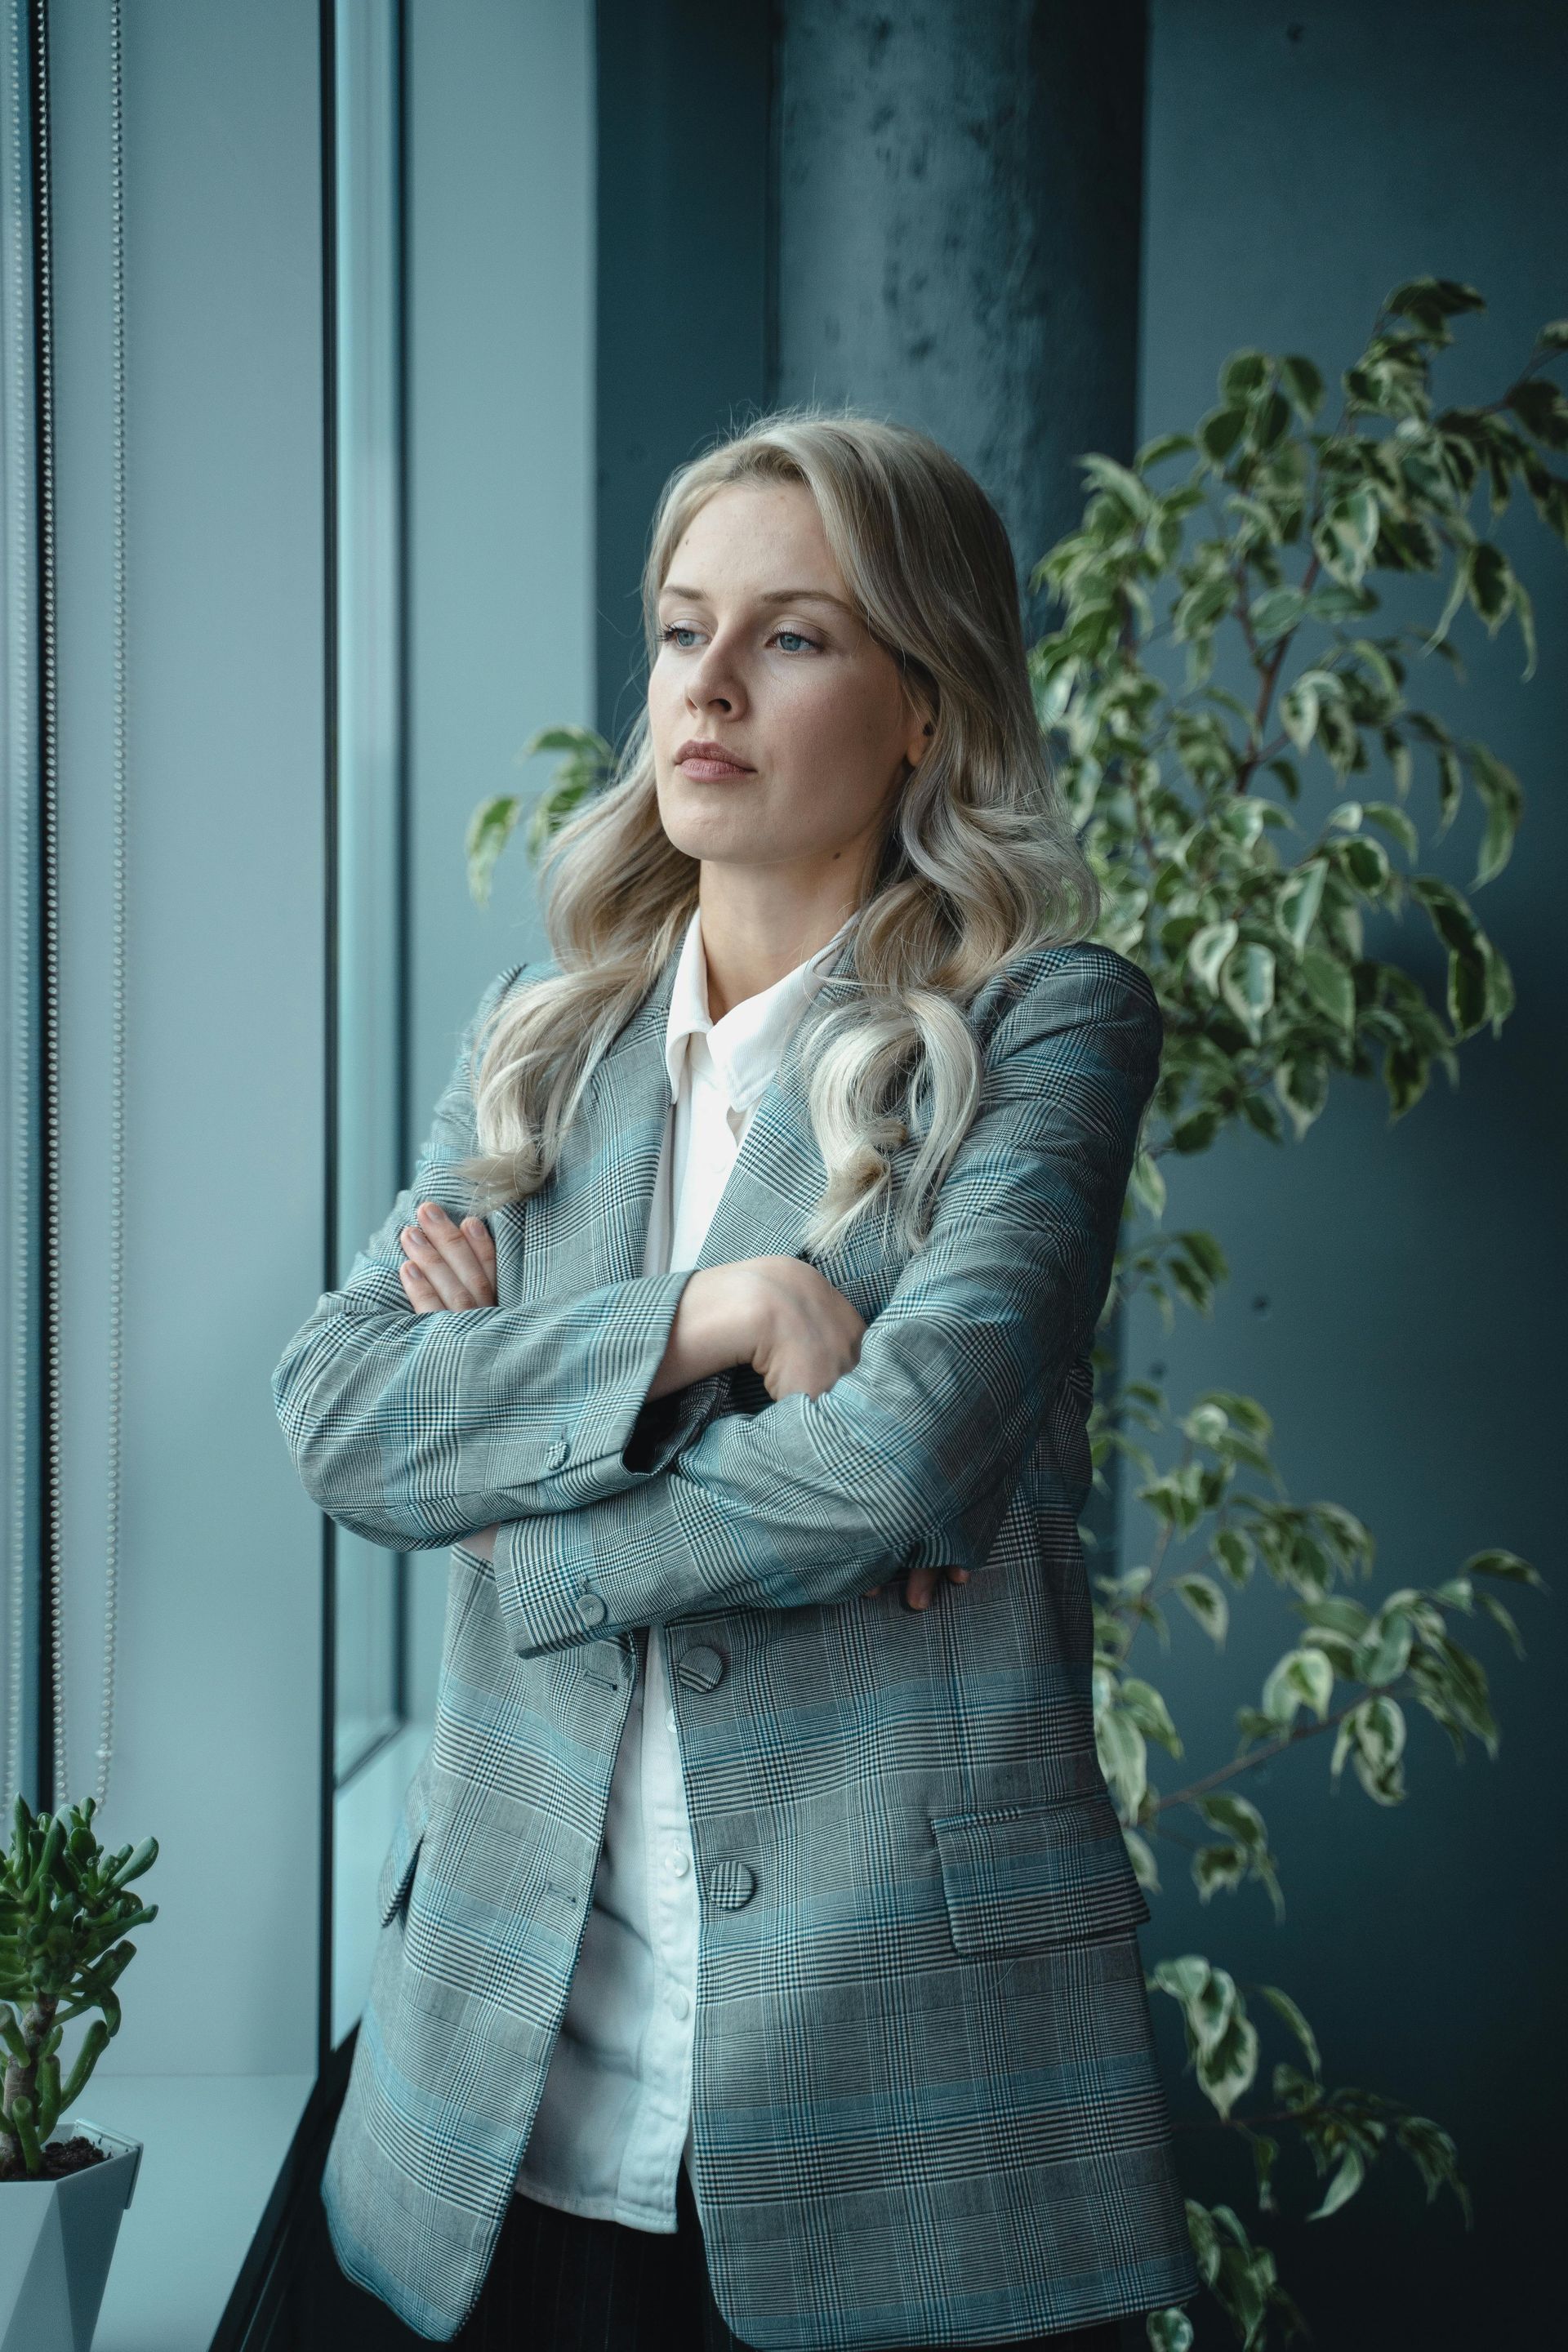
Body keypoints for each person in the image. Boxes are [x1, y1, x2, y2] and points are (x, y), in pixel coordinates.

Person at [272, 408, 1199, 2350]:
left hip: (907, 2107)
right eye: (683, 630)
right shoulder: (544, 1047)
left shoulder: (1046, 1029)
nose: (707, 687)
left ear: (928, 705)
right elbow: (342, 1411)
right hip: (500, 2106)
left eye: (791, 637)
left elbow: (901, 1451)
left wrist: (534, 1522)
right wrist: (723, 1317)